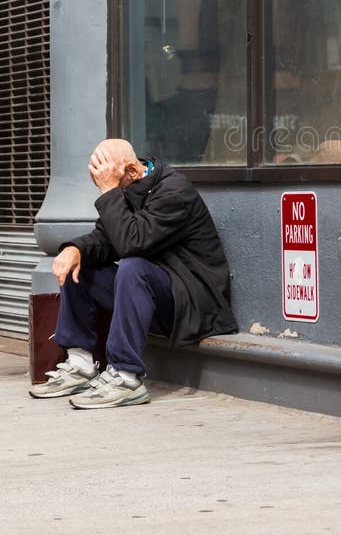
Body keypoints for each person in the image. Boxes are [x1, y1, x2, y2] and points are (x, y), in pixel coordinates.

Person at [30, 138, 238, 409]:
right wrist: (75, 249)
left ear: (131, 170)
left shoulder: (174, 192)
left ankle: (126, 378)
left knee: (133, 266)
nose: (103, 186)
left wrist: (109, 191)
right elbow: (106, 239)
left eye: (105, 179)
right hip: (149, 296)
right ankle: (80, 365)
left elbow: (132, 242)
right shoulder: (128, 190)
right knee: (78, 264)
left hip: (191, 303)